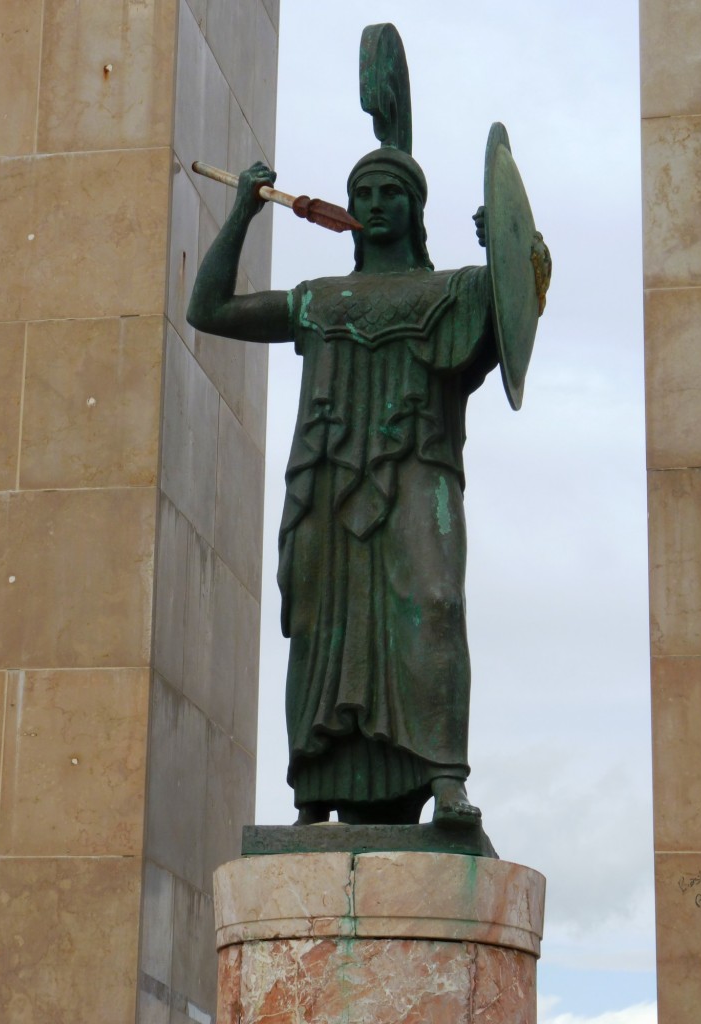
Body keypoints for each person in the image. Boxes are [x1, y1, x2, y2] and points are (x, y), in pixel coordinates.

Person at [188, 150, 504, 828]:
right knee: (319, 622)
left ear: (416, 209)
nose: (379, 201)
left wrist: (504, 252)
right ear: (349, 210)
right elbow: (208, 308)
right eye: (365, 191)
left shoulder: (457, 292)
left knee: (435, 602)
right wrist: (242, 212)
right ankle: (315, 786)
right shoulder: (319, 298)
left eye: (394, 191)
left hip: (416, 468)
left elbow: (510, 329)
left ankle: (447, 778)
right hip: (327, 480)